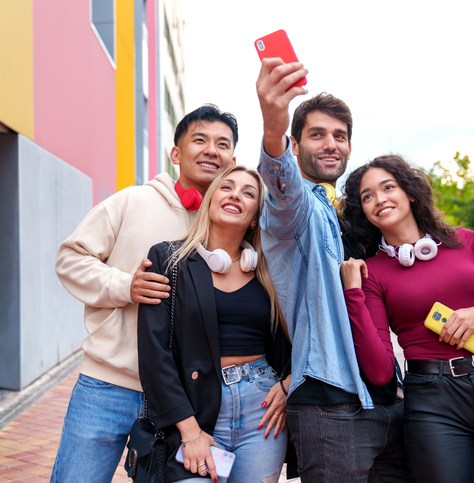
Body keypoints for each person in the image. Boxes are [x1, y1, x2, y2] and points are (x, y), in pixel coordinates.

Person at [52, 105, 238, 483]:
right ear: (176, 153)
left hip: (180, 399)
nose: (211, 150)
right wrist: (125, 286)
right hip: (107, 384)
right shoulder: (132, 201)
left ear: (232, 160)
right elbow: (70, 259)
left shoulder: (231, 224)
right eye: (199, 140)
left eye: (222, 144)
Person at [340, 154, 474, 483]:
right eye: (368, 196)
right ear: (362, 210)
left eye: (388, 187)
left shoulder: (468, 242)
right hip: (433, 402)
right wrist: (353, 293)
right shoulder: (372, 273)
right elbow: (381, 372)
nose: (380, 199)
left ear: (409, 192)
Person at [255, 58, 414, 482]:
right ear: (295, 144)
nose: (331, 144)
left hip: (387, 400)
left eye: (340, 136)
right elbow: (280, 182)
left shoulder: (344, 217)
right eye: (317, 134)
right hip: (331, 405)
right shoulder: (294, 211)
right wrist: (273, 122)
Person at [138, 165, 291, 483]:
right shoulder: (169, 259)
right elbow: (153, 353)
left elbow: (300, 333)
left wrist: (289, 382)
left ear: (254, 218)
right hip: (196, 410)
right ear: (209, 201)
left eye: (249, 193)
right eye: (227, 187)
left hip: (261, 410)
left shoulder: (268, 272)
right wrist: (190, 431)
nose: (236, 194)